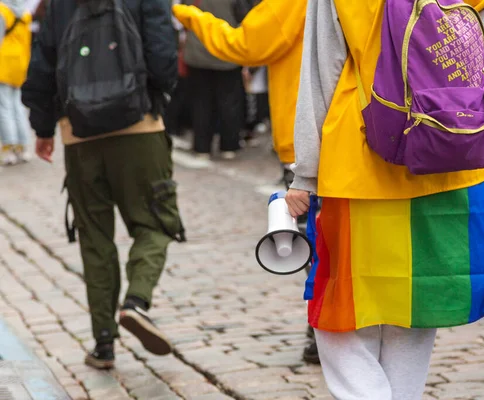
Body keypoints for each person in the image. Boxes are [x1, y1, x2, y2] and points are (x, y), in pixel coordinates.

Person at [283, 0, 484, 398]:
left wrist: (305, 173)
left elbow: (321, 66)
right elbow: (482, 55)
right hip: (444, 154)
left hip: (361, 156)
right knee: (415, 306)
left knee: (343, 307)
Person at [22, 0, 182, 369]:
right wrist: (157, 94)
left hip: (79, 135)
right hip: (139, 128)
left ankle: (104, 343)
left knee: (94, 238)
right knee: (155, 223)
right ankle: (136, 303)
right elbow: (162, 56)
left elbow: (42, 67)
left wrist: (44, 128)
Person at [172, 0, 320, 364]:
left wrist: (188, 14)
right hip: (369, 131)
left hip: (312, 138)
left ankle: (324, 329)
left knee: (321, 241)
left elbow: (244, 45)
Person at [182, 0, 249, 161]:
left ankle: (202, 147)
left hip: (197, 50)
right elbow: (245, 17)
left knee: (201, 102)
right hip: (226, 50)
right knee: (229, 102)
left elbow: (184, 11)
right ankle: (229, 145)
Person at [0, 0, 32, 165]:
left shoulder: (2, 11)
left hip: (3, 63)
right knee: (18, 106)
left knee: (3, 107)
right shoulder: (25, 12)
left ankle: (9, 147)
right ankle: (23, 145)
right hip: (20, 63)